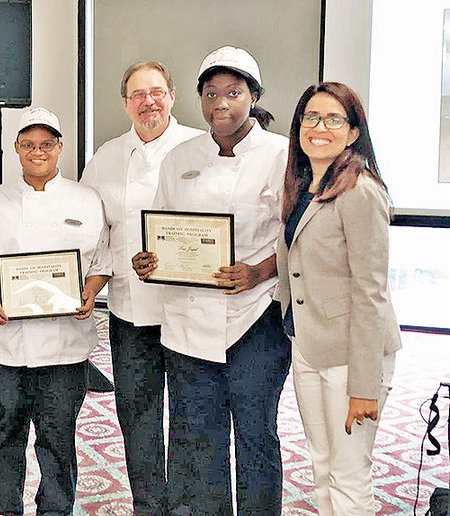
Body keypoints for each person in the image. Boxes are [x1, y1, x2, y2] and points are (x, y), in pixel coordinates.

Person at [132, 46, 290, 515]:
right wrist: (150, 260)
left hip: (256, 319)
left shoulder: (282, 154)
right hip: (188, 323)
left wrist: (259, 271)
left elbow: (298, 237)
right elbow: (162, 225)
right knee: (196, 436)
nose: (221, 103)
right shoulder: (180, 157)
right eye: (211, 93)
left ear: (254, 96)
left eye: (233, 93)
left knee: (256, 433)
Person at [0, 107, 111, 515]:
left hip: (65, 347)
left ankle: (56, 509)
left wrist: (90, 292)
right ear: (16, 148)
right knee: (5, 433)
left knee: (58, 437)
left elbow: (102, 261)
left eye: (46, 144)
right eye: (28, 144)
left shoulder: (86, 200)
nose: (37, 151)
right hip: (5, 345)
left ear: (60, 147)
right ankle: (2, 507)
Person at [80, 61, 203, 514]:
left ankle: (185, 507)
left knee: (190, 415)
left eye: (156, 92)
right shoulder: (108, 156)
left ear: (172, 96)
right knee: (137, 415)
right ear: (125, 103)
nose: (148, 101)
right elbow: (87, 223)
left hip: (188, 310)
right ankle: (148, 505)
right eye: (137, 94)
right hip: (129, 313)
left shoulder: (200, 147)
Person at [277, 82, 401, 515]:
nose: (320, 127)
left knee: (349, 474)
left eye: (334, 119)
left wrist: (364, 386)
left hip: (352, 354)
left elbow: (371, 292)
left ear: (353, 132)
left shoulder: (360, 190)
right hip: (309, 345)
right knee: (323, 465)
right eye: (311, 117)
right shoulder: (305, 187)